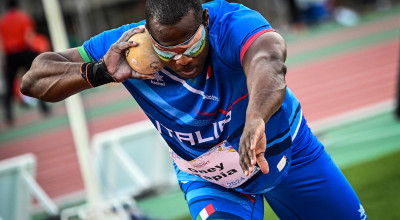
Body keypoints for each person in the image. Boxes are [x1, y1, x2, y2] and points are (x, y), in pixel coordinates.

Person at [21, 0, 367, 219]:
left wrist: (256, 117)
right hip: (211, 179)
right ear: (147, 36)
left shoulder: (232, 23)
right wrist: (99, 72)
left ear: (204, 19)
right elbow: (34, 80)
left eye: (192, 44)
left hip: (285, 152)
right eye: (168, 52)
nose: (183, 59)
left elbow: (269, 62)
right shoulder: (125, 46)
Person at [0, 0, 50, 126]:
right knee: (36, 79)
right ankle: (44, 108)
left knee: (9, 85)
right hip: (24, 52)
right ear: (17, 6)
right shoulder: (23, 17)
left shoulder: (3, 21)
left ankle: (9, 117)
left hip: (10, 55)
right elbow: (29, 36)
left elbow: (1, 41)